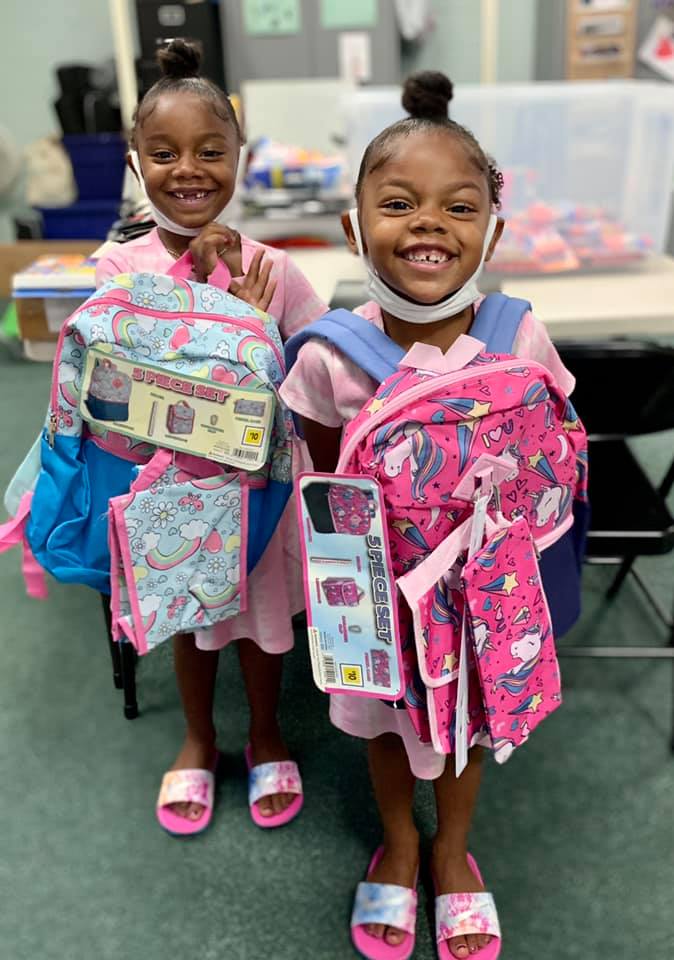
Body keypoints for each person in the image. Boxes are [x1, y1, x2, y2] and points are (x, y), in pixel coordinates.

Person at [280, 71, 575, 960]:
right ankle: (400, 844)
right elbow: (323, 481)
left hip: (481, 601)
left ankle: (450, 848)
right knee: (383, 723)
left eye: (459, 207)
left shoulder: (517, 333)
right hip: (377, 604)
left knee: (463, 731)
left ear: (492, 227)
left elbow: (548, 447)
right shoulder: (334, 353)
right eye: (400, 203)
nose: (429, 225)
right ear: (353, 227)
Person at [96, 39, 328, 834]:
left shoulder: (277, 269)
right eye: (163, 153)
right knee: (188, 622)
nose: (187, 169)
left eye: (209, 151)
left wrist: (261, 330)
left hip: (259, 488)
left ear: (240, 158)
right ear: (136, 162)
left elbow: (316, 383)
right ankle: (199, 737)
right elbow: (116, 391)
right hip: (169, 490)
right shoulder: (117, 272)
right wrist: (216, 315)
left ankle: (266, 733)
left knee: (263, 624)